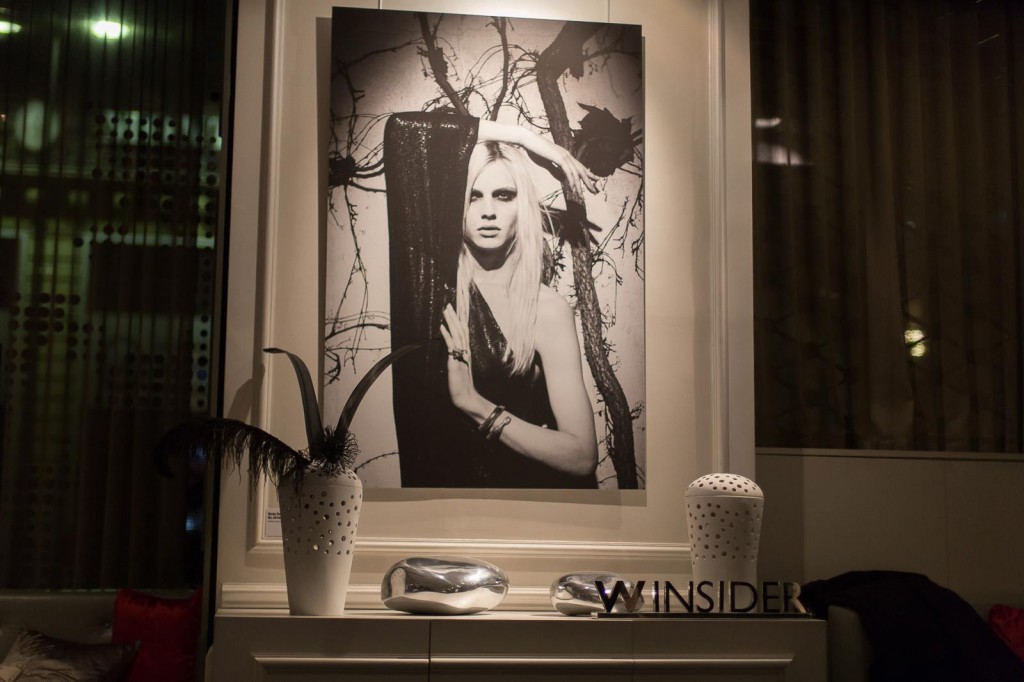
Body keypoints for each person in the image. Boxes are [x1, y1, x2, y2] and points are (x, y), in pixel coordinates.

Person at [383, 110, 599, 488]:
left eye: (504, 195)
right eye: (472, 196)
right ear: (455, 205)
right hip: (433, 509)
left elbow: (581, 457)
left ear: (522, 204)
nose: (488, 212)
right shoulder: (429, 287)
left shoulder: (545, 310)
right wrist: (524, 137)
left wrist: (475, 405)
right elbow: (402, 132)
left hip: (519, 506)